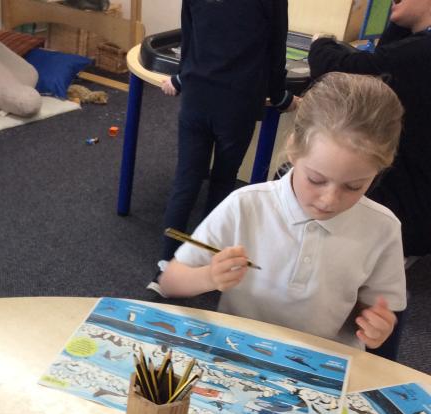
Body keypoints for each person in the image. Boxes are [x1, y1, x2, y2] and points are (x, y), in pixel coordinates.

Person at [155, 72, 406, 350]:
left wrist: (376, 325)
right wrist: (208, 277)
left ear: (379, 170)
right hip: (237, 351)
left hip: (321, 361)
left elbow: (378, 308)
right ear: (293, 149)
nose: (329, 200)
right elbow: (170, 281)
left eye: (354, 186)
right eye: (316, 179)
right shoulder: (246, 205)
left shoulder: (383, 228)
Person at [152, 0, 297, 277]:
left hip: (197, 96)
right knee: (222, 181)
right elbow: (275, 50)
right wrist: (281, 97)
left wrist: (181, 79)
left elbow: (189, 39)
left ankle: (166, 262)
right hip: (238, 102)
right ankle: (203, 258)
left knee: (186, 180)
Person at [308, 1, 431, 259]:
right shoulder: (414, 49)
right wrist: (401, 21)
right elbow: (388, 56)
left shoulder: (418, 53)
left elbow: (344, 68)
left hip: (406, 212)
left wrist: (321, 42)